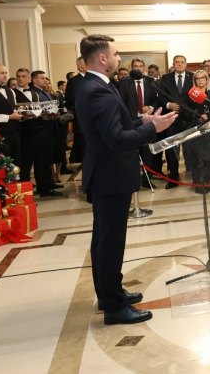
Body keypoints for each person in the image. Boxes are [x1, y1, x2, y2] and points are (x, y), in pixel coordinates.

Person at [74, 34, 177, 325]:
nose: (119, 59)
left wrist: (142, 122)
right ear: (102, 58)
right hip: (110, 176)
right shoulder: (98, 91)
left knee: (104, 240)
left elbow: (114, 127)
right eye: (116, 54)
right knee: (110, 243)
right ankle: (114, 307)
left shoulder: (94, 85)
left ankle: (110, 293)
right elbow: (117, 140)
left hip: (106, 174)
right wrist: (153, 130)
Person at [118, 57, 158, 189]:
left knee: (147, 152)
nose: (138, 68)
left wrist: (150, 107)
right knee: (132, 153)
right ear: (131, 68)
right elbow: (121, 103)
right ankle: (133, 180)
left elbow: (155, 101)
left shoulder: (149, 82)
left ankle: (147, 180)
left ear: (144, 68)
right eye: (135, 66)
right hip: (131, 122)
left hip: (147, 122)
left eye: (141, 66)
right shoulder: (125, 82)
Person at [159, 55, 194, 189]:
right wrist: (169, 105)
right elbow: (160, 96)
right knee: (171, 151)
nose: (179, 64)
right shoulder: (165, 78)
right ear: (173, 64)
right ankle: (173, 178)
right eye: (177, 62)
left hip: (189, 120)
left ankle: (195, 177)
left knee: (191, 150)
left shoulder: (193, 77)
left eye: (182, 62)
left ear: (186, 64)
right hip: (171, 119)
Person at [65, 56, 87, 164]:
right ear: (80, 67)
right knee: (83, 147)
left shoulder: (95, 79)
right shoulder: (73, 82)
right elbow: (69, 100)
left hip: (97, 120)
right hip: (81, 120)